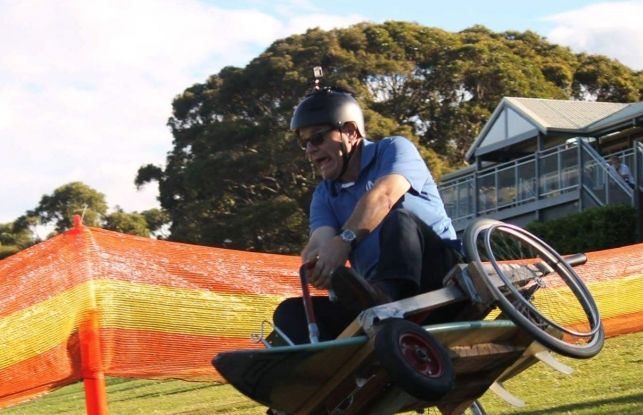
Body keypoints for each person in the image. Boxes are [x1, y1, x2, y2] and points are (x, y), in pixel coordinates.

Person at [272, 86, 461, 344]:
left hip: (440, 275)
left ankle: (386, 296)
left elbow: (384, 196)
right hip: (372, 298)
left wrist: (345, 239)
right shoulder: (324, 194)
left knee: (397, 217)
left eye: (317, 139)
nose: (310, 150)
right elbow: (322, 238)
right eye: (304, 143)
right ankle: (334, 376)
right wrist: (318, 260)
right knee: (291, 313)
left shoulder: (394, 148)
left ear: (350, 131)